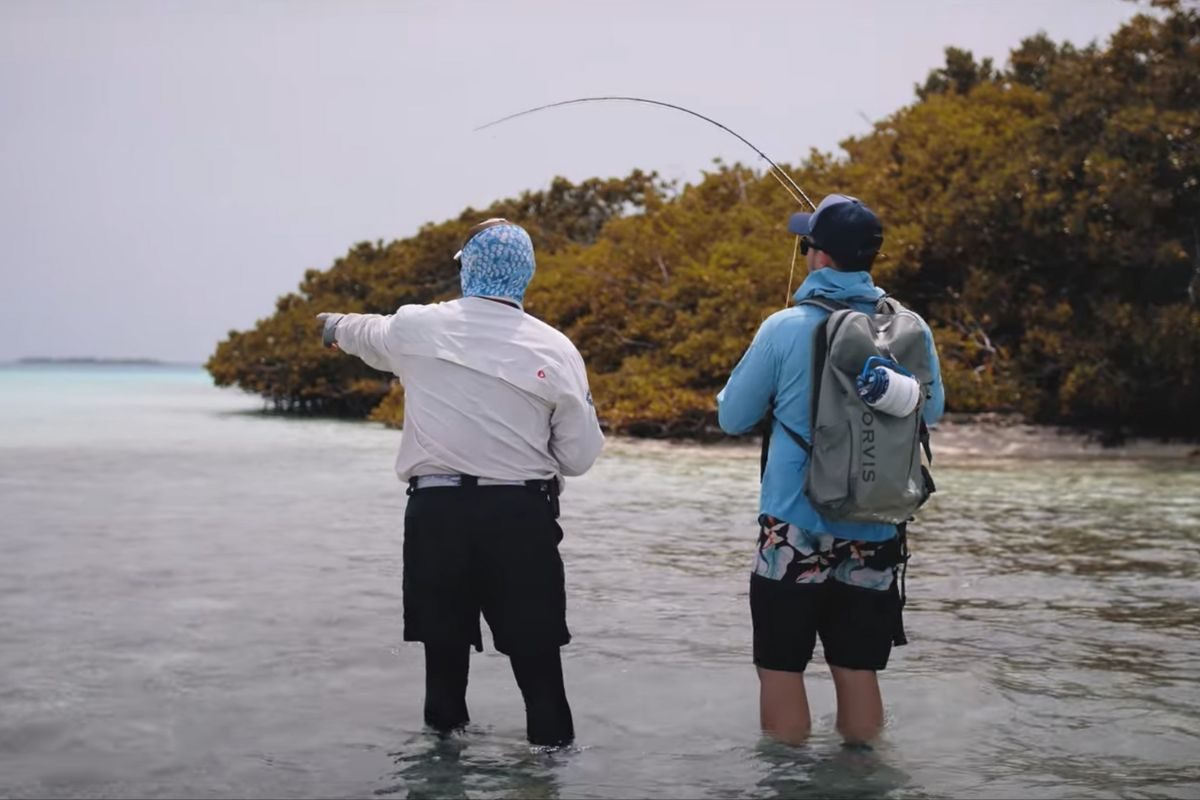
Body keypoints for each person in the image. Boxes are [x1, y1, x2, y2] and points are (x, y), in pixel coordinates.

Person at [316, 218, 604, 748]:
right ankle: (548, 782)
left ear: (467, 267)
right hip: (521, 518)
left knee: (443, 670)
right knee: (540, 674)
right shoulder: (557, 349)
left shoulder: (416, 328)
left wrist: (331, 325)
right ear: (527, 273)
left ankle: (441, 777)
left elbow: (364, 331)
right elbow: (579, 457)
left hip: (438, 515)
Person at [716, 194, 945, 746]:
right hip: (877, 524)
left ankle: (787, 781)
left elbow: (732, 416)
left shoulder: (785, 327)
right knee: (856, 667)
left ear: (818, 257)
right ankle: (862, 775)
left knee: (780, 666)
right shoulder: (908, 328)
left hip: (795, 526)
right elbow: (930, 412)